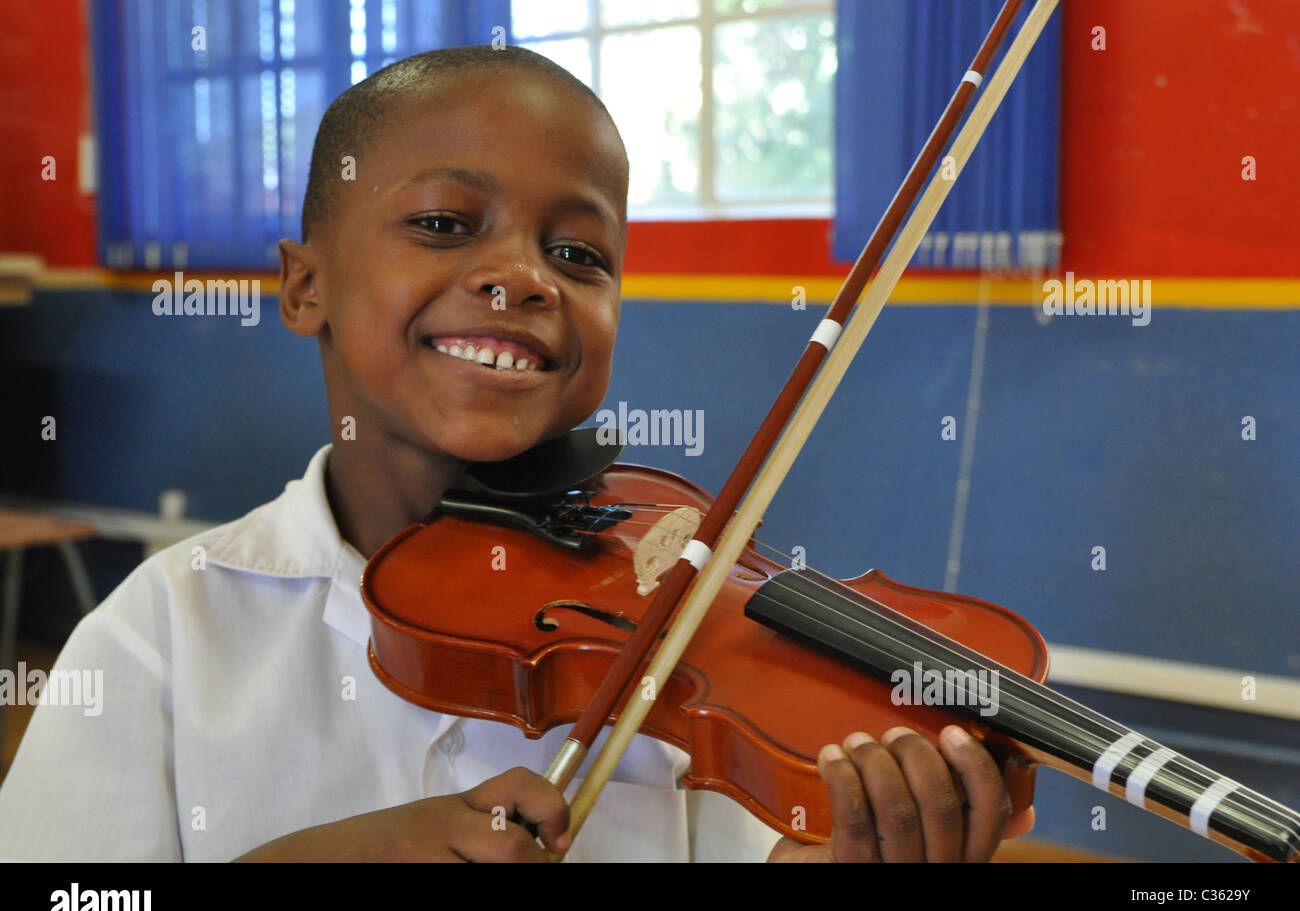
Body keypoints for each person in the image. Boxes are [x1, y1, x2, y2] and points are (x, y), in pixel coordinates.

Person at [0, 46, 1033, 862]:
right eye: (446, 223)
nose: (522, 276)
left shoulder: (676, 635)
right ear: (304, 284)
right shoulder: (161, 632)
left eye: (577, 253)